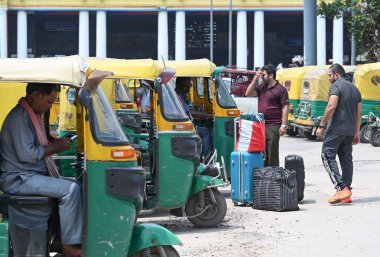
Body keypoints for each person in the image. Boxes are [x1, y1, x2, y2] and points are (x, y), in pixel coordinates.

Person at [0, 83, 82, 257]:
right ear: (37, 95)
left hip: (29, 175)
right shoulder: (19, 118)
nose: (50, 107)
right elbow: (27, 155)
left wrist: (55, 143)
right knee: (71, 190)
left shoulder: (32, 116)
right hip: (18, 179)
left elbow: (37, 144)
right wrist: (55, 148)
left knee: (75, 184)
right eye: (49, 102)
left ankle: (60, 240)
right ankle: (69, 245)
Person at [316, 64, 362, 204]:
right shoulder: (355, 89)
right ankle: (346, 191)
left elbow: (331, 106)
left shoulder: (336, 86)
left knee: (326, 155)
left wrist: (321, 126)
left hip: (336, 129)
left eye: (330, 75)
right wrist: (356, 132)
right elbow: (359, 113)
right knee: (346, 160)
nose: (329, 78)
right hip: (349, 131)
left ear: (336, 75)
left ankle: (342, 188)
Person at [245, 64, 289, 167]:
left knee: (271, 150)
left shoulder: (281, 89)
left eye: (263, 75)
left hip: (273, 124)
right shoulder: (262, 87)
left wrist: (283, 125)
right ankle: (264, 173)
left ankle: (273, 174)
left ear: (271, 75)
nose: (261, 77)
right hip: (261, 123)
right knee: (262, 150)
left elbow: (285, 107)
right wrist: (255, 78)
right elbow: (248, 93)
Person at [175, 77, 213, 157]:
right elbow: (189, 112)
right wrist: (210, 115)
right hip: (181, 128)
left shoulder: (180, 94)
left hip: (182, 124)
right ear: (184, 85)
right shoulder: (178, 96)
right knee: (206, 132)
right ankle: (208, 158)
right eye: (189, 84)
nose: (191, 86)